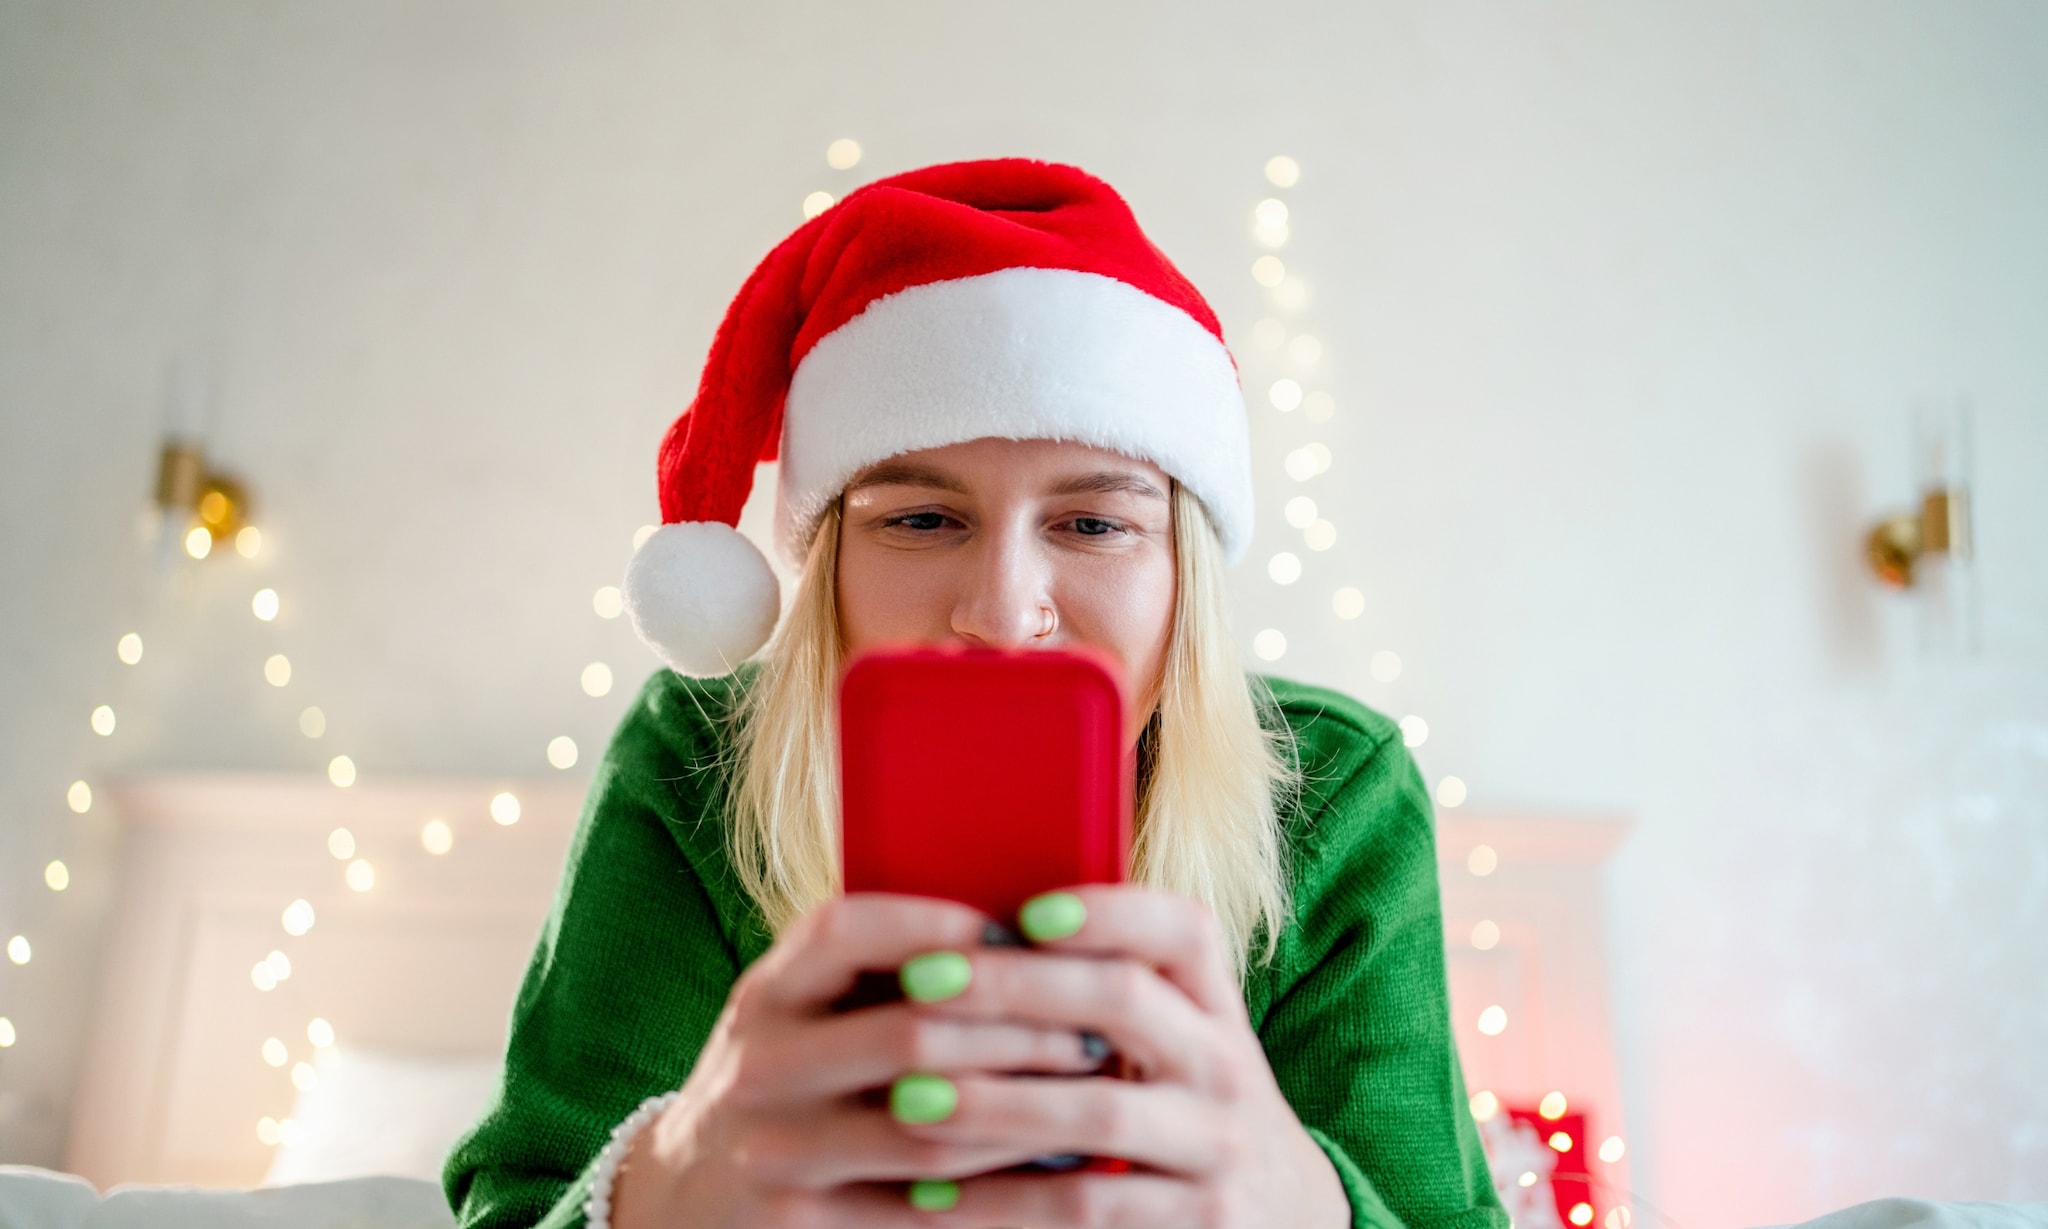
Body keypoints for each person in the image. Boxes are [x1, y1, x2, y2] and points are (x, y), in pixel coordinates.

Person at [443, 158, 1506, 1229]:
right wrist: (658, 1187)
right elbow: (525, 1195)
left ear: (1181, 572)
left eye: (1092, 523)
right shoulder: (692, 764)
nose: (1002, 616)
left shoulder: (1332, 792)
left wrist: (1311, 1206)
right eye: (918, 518)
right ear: (831, 567)